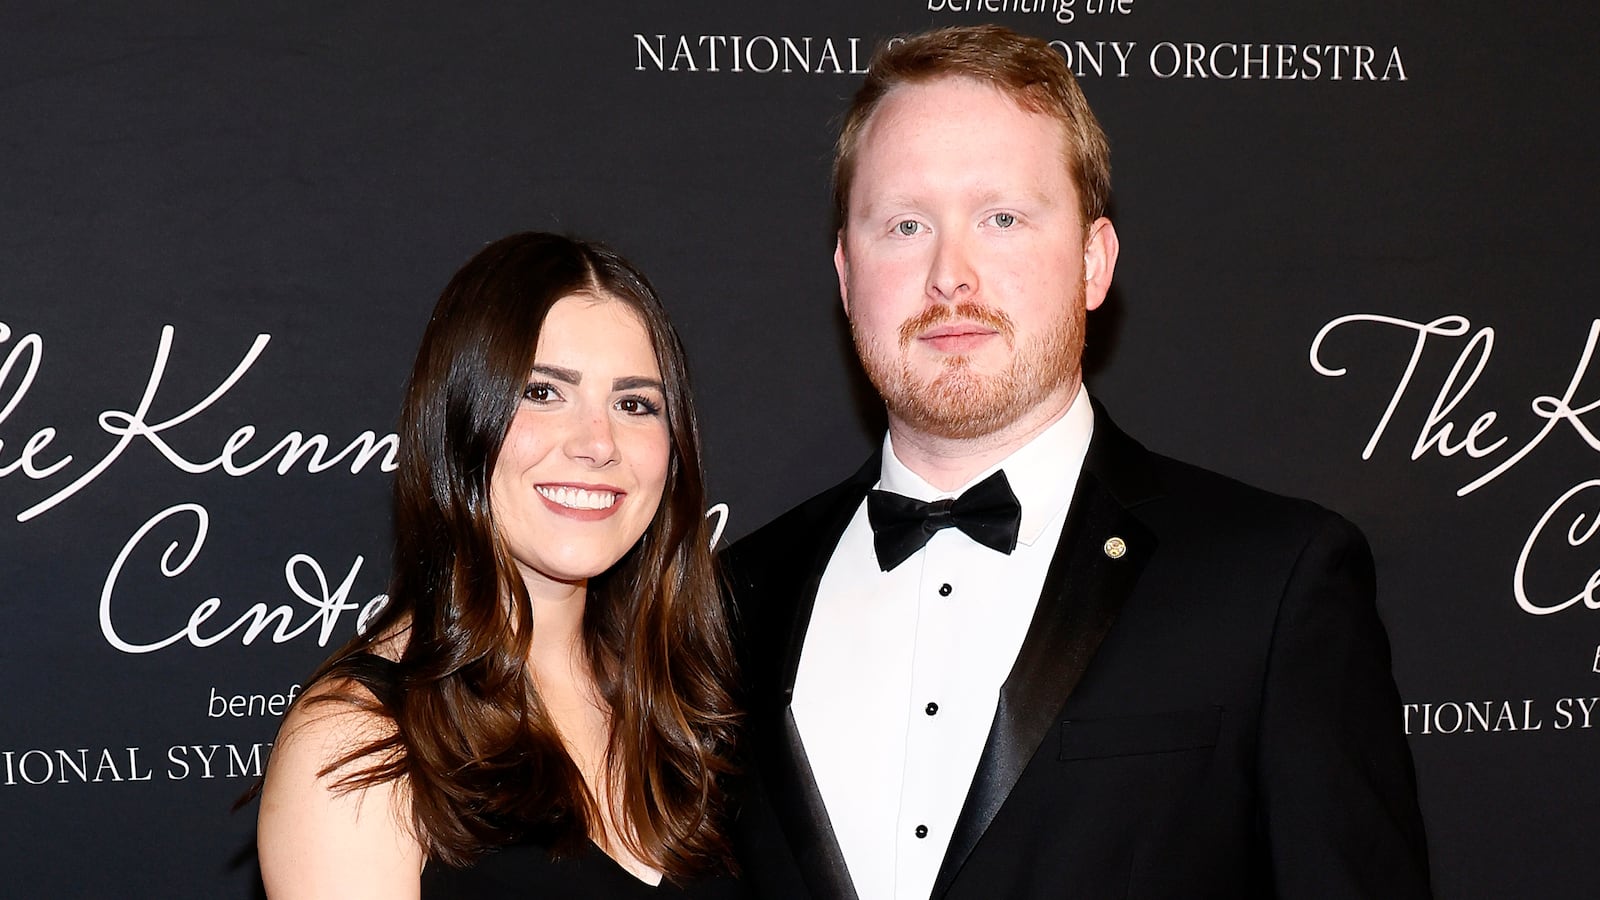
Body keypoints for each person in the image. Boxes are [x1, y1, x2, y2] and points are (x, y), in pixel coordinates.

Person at [722, 25, 1431, 900]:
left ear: (1094, 263)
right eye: (904, 225)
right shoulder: (728, 602)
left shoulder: (1273, 582)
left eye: (1002, 218)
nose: (951, 274)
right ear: (844, 272)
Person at [258, 233, 746, 898]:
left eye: (634, 404)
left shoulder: (690, 706)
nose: (598, 444)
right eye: (544, 393)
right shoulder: (361, 744)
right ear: (461, 420)